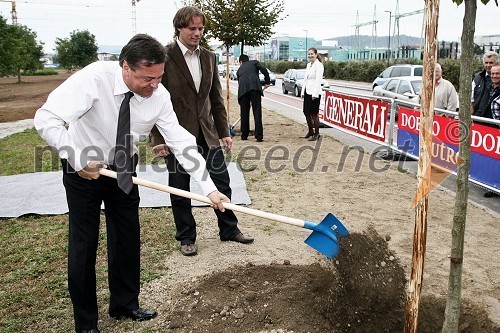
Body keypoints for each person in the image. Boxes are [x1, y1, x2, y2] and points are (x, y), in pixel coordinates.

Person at [34, 34, 229, 333]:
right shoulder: (93, 79)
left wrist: (209, 188)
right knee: (84, 243)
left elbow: (179, 141)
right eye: (147, 78)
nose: (154, 85)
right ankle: (86, 325)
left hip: (124, 167)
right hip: (83, 167)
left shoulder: (159, 96)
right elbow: (46, 118)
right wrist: (76, 159)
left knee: (127, 236)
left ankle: (125, 304)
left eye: (159, 78)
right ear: (125, 67)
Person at [150, 6, 254, 257]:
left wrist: (224, 130)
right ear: (179, 28)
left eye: (201, 28)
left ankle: (229, 229)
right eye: (192, 28)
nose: (197, 33)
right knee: (180, 187)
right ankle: (186, 236)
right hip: (175, 134)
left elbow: (215, 98)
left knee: (222, 183)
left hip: (207, 133)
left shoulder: (208, 57)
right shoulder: (164, 56)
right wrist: (158, 138)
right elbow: (152, 99)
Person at [236, 54, 270, 142]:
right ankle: (259, 136)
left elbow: (239, 83)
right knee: (257, 112)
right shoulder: (254, 62)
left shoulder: (239, 70)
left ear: (241, 62)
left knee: (244, 113)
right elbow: (264, 70)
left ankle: (244, 135)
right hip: (255, 88)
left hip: (243, 91)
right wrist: (267, 81)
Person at [301, 47, 324, 141]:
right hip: (307, 91)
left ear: (316, 54)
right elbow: (305, 79)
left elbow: (318, 80)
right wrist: (303, 92)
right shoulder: (308, 65)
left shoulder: (319, 65)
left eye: (312, 54)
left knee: (314, 113)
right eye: (309, 54)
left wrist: (315, 94)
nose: (310, 56)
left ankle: (317, 133)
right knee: (306, 112)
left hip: (315, 93)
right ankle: (310, 130)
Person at [484, 64, 500, 198]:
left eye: (498, 74)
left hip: (496, 130)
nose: (494, 76)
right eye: (493, 73)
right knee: (491, 159)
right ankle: (492, 186)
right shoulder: (489, 87)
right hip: (488, 130)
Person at [471, 50, 498, 118]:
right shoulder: (477, 77)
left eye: (491, 62)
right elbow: (471, 99)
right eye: (486, 62)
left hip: (493, 119)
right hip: (477, 117)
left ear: (497, 63)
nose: (488, 65)